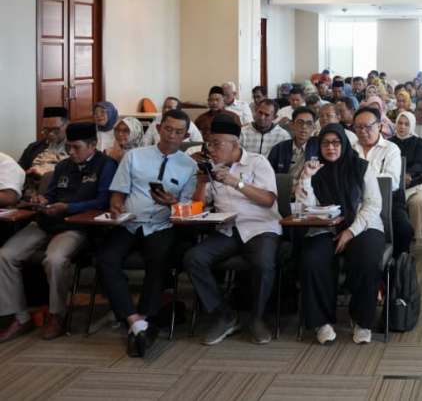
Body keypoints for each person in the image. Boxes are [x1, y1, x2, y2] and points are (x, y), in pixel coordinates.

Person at [0, 123, 116, 341]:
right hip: (47, 220)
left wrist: (69, 208)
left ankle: (57, 315)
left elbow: (103, 201)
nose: (70, 152)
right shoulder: (63, 166)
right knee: (5, 255)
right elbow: (51, 194)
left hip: (76, 225)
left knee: (54, 259)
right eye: (68, 146)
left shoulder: (106, 165)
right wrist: (42, 200)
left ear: (92, 144)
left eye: (76, 147)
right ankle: (20, 316)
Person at [97, 109, 198, 357]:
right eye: (168, 129)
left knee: (159, 260)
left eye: (178, 132)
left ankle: (143, 317)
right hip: (129, 222)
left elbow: (189, 208)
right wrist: (116, 206)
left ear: (186, 136)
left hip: (162, 224)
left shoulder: (190, 166)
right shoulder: (134, 156)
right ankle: (134, 320)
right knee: (106, 259)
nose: (172, 136)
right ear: (159, 128)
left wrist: (173, 203)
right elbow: (118, 193)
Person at [185, 116, 281, 346]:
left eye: (217, 144)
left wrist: (234, 182)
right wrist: (201, 183)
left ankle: (257, 318)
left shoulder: (257, 162)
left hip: (260, 227)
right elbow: (198, 206)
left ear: (235, 144)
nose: (211, 149)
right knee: (193, 258)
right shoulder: (213, 168)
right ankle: (225, 315)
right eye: (209, 143)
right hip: (227, 229)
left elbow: (268, 200)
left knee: (263, 263)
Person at [295, 124, 385, 345]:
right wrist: (306, 178)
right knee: (312, 259)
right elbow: (304, 209)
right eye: (325, 143)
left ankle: (362, 320)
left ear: (344, 144)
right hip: (325, 227)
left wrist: (350, 232)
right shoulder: (313, 169)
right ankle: (322, 321)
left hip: (363, 226)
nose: (331, 148)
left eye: (336, 143)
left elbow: (373, 205)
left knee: (368, 259)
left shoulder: (361, 167)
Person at [352, 107, 413, 255]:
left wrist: (363, 177)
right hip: (355, 200)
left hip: (388, 200)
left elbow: (391, 181)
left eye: (368, 126)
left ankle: (397, 262)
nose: (363, 131)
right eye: (358, 127)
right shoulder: (350, 149)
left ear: (379, 126)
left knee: (404, 228)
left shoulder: (391, 149)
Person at [390, 111, 422, 242]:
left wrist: (408, 174)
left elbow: (420, 164)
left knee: (417, 202)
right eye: (400, 123)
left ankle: (414, 236)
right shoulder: (389, 142)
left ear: (412, 125)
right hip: (395, 183)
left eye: (406, 124)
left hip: (416, 182)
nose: (402, 127)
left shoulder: (418, 142)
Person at [18, 107, 70, 200]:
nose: (50, 134)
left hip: (61, 193)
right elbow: (19, 171)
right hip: (31, 193)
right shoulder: (34, 147)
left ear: (67, 125)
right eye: (46, 130)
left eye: (55, 129)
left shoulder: (75, 147)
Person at [267, 107, 320, 184]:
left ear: (314, 127)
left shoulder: (319, 147)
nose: (304, 127)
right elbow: (268, 175)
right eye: (300, 122)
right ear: (292, 125)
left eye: (309, 123)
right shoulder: (279, 148)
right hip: (282, 188)